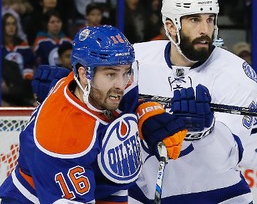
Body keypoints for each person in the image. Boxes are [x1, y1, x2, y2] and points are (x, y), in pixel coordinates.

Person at [127, 0, 257, 203]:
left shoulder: (236, 73)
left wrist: (207, 131)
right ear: (170, 26)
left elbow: (226, 159)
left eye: (210, 20)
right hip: (143, 194)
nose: (205, 29)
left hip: (218, 196)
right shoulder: (136, 58)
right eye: (194, 20)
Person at [0, 25, 189, 203]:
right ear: (84, 74)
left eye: (126, 72)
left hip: (99, 184)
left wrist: (145, 113)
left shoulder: (99, 86)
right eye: (110, 74)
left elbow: (127, 101)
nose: (121, 85)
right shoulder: (61, 139)